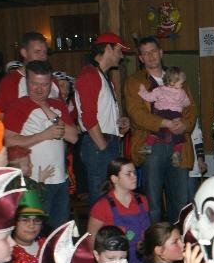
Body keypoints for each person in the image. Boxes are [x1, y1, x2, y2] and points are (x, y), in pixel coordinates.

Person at [125, 36, 196, 223]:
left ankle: (177, 239)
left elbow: (191, 110)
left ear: (161, 52)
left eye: (153, 51)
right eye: (145, 53)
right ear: (140, 58)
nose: (150, 56)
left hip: (178, 144)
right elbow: (136, 114)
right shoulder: (134, 81)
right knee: (153, 204)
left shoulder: (177, 77)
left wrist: (184, 124)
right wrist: (165, 123)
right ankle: (154, 241)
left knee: (181, 202)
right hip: (152, 145)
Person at [4, 60, 78, 229]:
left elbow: (73, 137)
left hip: (60, 180)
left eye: (44, 84)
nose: (39, 89)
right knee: (34, 232)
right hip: (34, 182)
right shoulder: (18, 106)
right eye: (34, 84)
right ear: (26, 82)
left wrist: (49, 112)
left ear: (51, 83)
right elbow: (8, 141)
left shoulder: (57, 105)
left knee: (59, 233)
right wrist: (44, 135)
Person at [75, 32, 131, 207]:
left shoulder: (102, 76)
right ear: (108, 48)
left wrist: (119, 123)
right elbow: (88, 117)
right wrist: (104, 147)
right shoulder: (90, 75)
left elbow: (100, 115)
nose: (121, 56)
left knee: (109, 199)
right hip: (99, 145)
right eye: (119, 50)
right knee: (101, 199)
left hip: (106, 142)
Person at [87, 157, 150, 263]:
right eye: (128, 174)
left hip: (142, 262)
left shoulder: (142, 200)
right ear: (114, 179)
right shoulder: (102, 206)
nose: (134, 176)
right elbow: (91, 240)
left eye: (134, 172)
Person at [0, 32, 60, 115]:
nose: (43, 57)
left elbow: (63, 111)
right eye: (37, 52)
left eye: (45, 52)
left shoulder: (52, 79)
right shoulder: (11, 81)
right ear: (24, 53)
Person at [137, 66, 191, 165]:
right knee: (178, 134)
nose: (182, 85)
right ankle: (177, 152)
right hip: (175, 115)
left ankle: (148, 146)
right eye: (181, 83)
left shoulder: (159, 90)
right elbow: (187, 103)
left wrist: (142, 91)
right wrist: (181, 104)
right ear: (172, 82)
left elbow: (148, 97)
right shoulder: (182, 92)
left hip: (161, 114)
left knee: (156, 131)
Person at [9, 190, 47, 263]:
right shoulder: (7, 253)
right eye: (25, 219)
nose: (31, 225)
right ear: (14, 223)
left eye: (37, 220)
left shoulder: (48, 247)